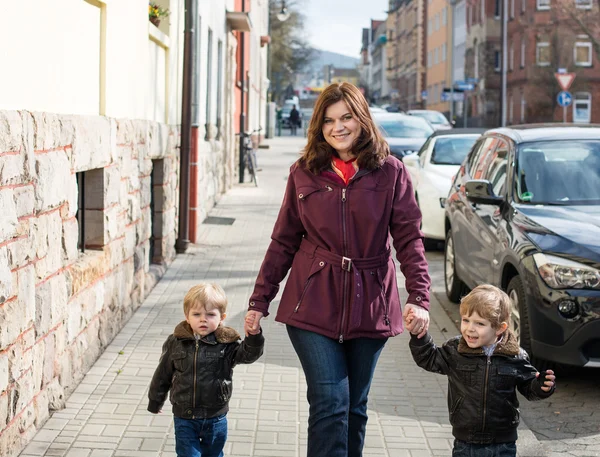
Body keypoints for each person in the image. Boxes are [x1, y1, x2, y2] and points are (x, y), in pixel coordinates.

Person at [244, 82, 431, 457]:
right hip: (312, 302)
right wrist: (258, 300)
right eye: (329, 120)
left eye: (346, 117)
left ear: (362, 119)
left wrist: (420, 297)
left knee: (354, 409)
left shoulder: (391, 172)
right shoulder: (304, 172)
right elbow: (283, 241)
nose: (338, 127)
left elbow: (409, 240)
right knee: (330, 403)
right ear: (319, 126)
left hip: (370, 302)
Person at [406, 284, 556, 457]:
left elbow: (529, 388)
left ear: (500, 328)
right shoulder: (456, 350)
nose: (470, 328)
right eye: (466, 320)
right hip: (465, 442)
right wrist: (420, 336)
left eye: (479, 323)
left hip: (503, 443)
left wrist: (541, 386)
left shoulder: (516, 356)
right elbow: (429, 358)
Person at [148, 283, 265, 457]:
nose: (203, 319)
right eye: (197, 314)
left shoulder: (227, 344)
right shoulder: (175, 342)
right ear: (187, 317)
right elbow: (162, 374)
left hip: (215, 417)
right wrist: (155, 401)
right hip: (185, 416)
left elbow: (248, 355)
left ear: (221, 317)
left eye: (210, 314)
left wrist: (253, 337)